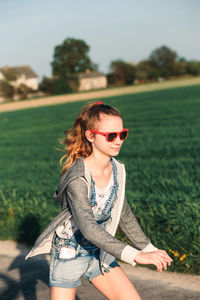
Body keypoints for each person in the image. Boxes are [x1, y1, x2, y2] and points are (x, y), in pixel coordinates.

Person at [26, 101, 172, 300]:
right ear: (91, 136)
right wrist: (135, 255)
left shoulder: (118, 169)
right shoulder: (78, 178)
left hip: (100, 250)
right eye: (111, 136)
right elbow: (88, 227)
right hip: (70, 252)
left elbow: (123, 213)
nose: (118, 141)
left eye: (123, 134)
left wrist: (149, 249)